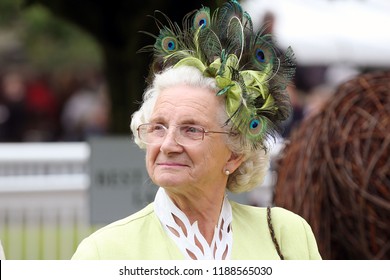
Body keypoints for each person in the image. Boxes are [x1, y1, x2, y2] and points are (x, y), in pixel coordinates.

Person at [72, 0, 321, 260]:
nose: (167, 145)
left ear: (235, 154)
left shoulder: (286, 235)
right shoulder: (103, 253)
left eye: (191, 130)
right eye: (158, 127)